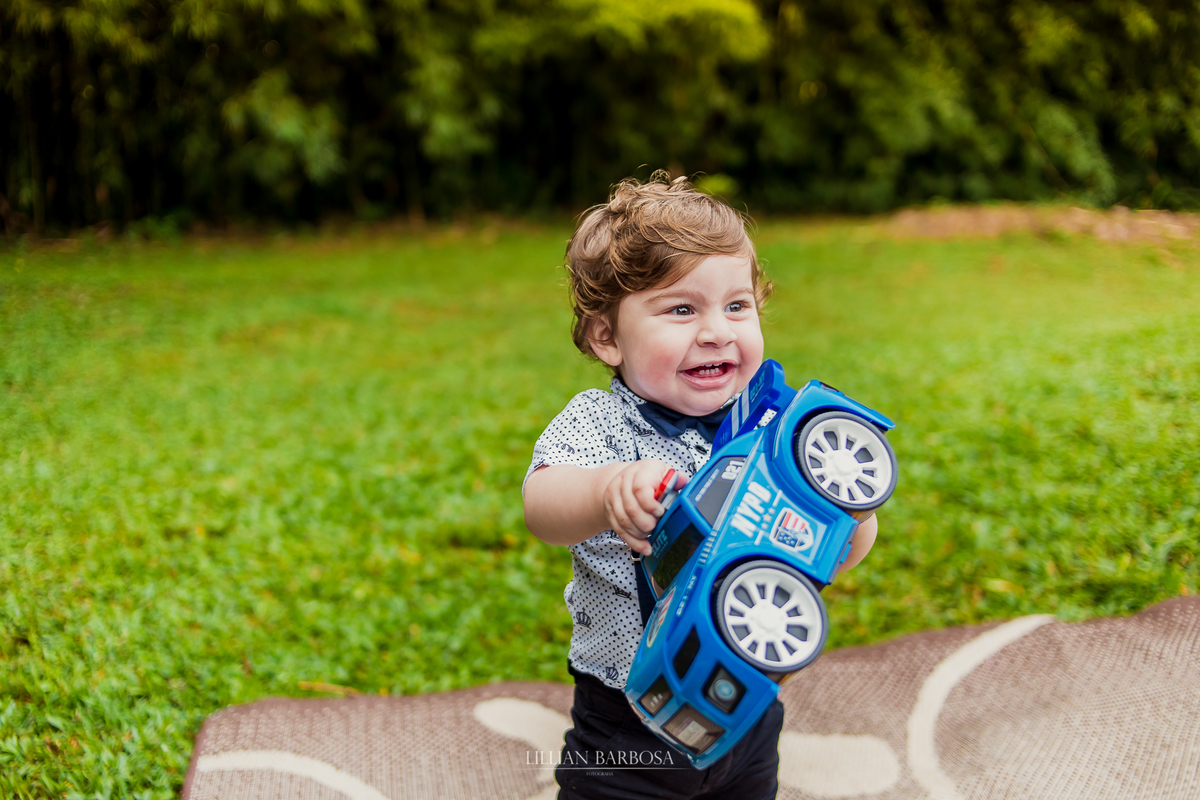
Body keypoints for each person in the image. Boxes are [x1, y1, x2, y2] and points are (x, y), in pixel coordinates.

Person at [523, 172, 878, 800]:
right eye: (682, 309)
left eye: (736, 306)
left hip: (745, 702)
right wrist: (606, 490)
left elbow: (838, 552)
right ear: (607, 336)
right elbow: (542, 508)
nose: (717, 331)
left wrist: (849, 515)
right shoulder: (601, 425)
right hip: (625, 723)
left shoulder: (776, 425)